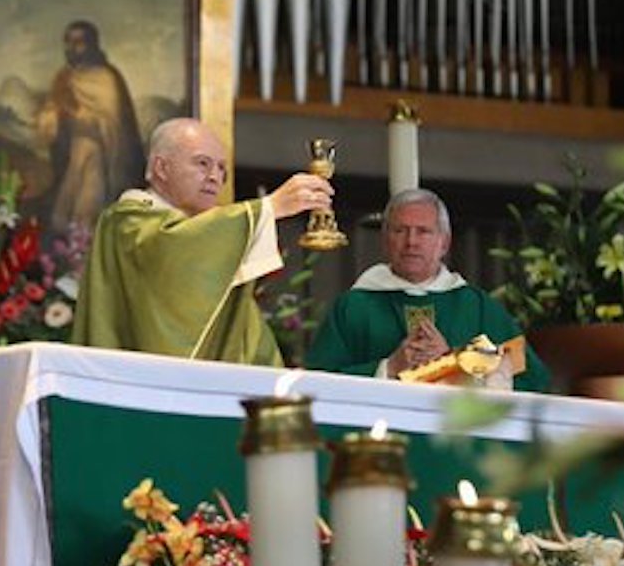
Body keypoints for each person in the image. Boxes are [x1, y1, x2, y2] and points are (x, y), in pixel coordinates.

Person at [72, 117, 333, 365]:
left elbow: (239, 326)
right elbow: (172, 250)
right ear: (162, 168)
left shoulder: (213, 237)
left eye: (221, 168)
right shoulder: (127, 221)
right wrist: (270, 207)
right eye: (202, 163)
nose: (214, 177)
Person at [306, 188, 551, 390]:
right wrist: (389, 368)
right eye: (400, 230)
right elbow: (317, 383)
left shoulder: (475, 306)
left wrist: (454, 361)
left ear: (444, 243)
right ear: (385, 240)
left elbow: (532, 378)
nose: (411, 242)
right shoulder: (354, 306)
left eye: (423, 231)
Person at [36, 20, 147, 230]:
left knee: (89, 202)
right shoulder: (63, 78)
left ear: (91, 44)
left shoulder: (106, 78)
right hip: (70, 154)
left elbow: (113, 122)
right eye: (68, 42)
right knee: (66, 206)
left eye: (78, 42)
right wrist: (55, 117)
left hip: (99, 154)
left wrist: (81, 118)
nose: (71, 48)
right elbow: (49, 115)